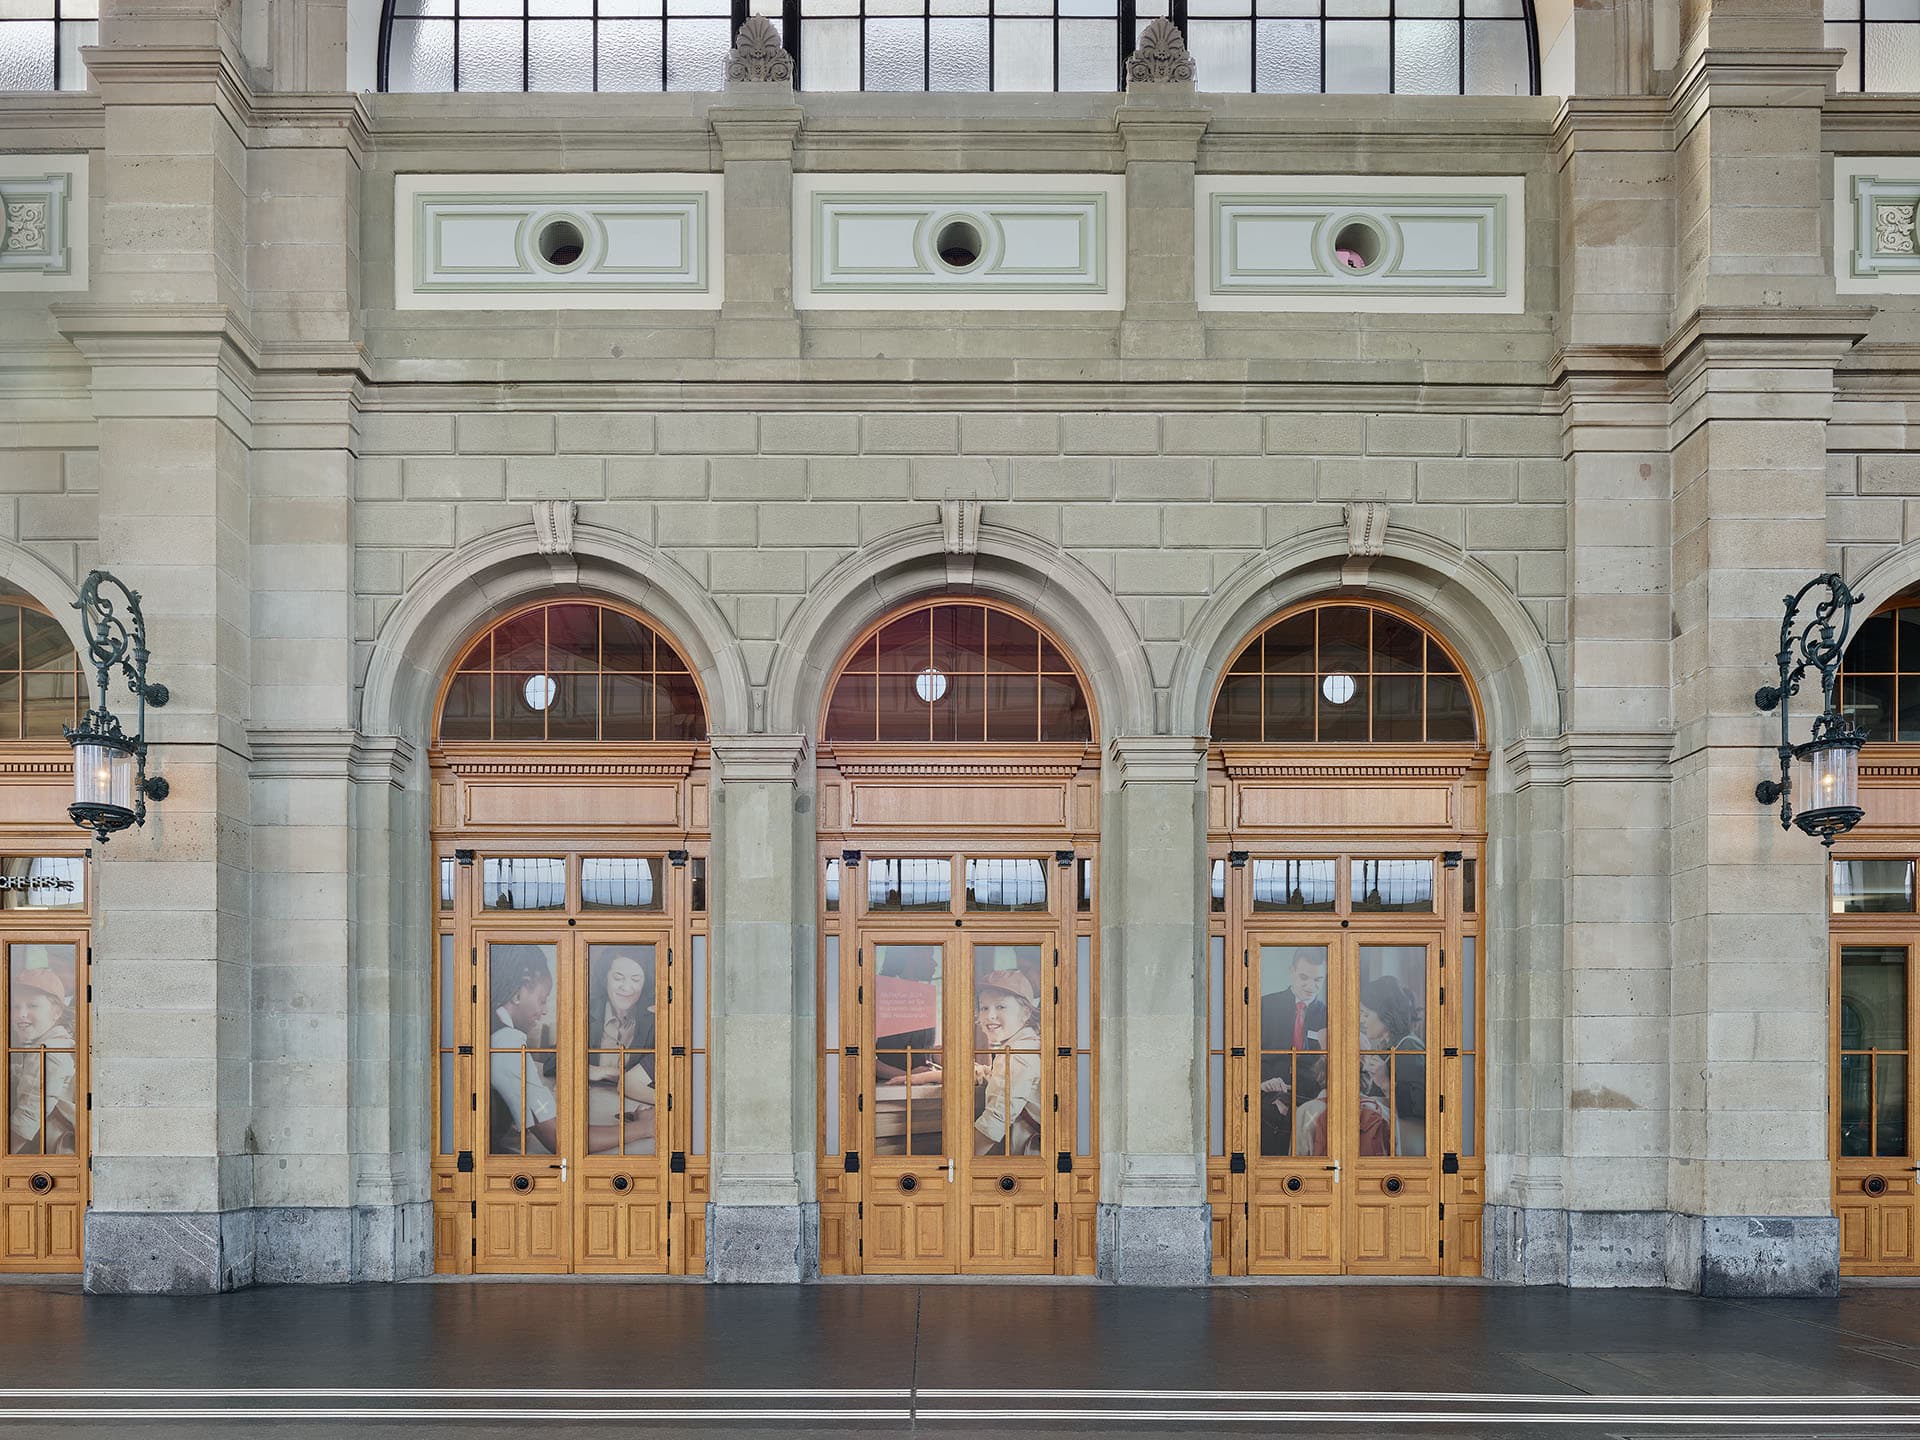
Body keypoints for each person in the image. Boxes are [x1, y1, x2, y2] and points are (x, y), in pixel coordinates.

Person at [586, 948, 656, 1155]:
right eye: (618, 978)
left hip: (630, 1103)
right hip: (589, 1101)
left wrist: (606, 1071)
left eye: (636, 979)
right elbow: (553, 1059)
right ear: (605, 977)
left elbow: (656, 1069)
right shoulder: (587, 1011)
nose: (627, 987)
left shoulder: (652, 1019)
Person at [490, 947, 560, 1155]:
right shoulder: (507, 1041)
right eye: (542, 999)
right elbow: (558, 1139)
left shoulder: (489, 1024)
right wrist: (641, 1128)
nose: (545, 1010)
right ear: (518, 994)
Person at [1258, 948, 1327, 1156]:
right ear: (1291, 971)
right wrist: (1260, 1084)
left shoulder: (1329, 1014)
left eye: (1318, 980)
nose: (1311, 986)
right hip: (1265, 1104)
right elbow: (1245, 1054)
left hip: (1309, 1108)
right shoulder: (1264, 1006)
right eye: (1304, 977)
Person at [973, 966, 1042, 1156]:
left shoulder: (1017, 1054)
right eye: (984, 1007)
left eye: (1001, 1006)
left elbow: (993, 1124)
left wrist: (956, 1165)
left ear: (1026, 1013)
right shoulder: (1028, 1044)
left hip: (1027, 1161)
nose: (990, 1015)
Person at [1359, 974, 1426, 1157]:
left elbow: (1421, 1109)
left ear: (1385, 1014)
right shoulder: (1387, 1047)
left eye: (1366, 1014)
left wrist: (1385, 1083)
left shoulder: (1410, 1047)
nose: (1362, 1020)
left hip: (1405, 1150)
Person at [9, 966, 74, 1156]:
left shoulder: (48, 1051)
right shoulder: (47, 1042)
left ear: (56, 1013)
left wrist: (4, 1157)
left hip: (48, 1151)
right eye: (15, 1006)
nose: (21, 1013)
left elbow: (28, 1117)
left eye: (32, 1006)